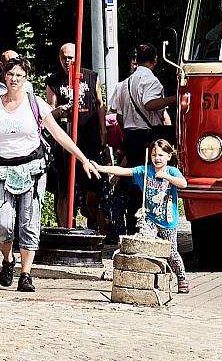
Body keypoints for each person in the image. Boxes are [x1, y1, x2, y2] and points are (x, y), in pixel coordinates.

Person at [0, 56, 100, 292]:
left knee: (29, 223)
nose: (14, 79)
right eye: (11, 74)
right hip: (2, 170)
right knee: (3, 225)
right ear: (5, 77)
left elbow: (59, 135)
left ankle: (26, 274)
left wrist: (83, 159)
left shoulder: (36, 103)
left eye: (19, 75)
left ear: (25, 78)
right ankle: (8, 260)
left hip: (33, 170)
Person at [96, 139, 190, 293]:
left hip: (168, 220)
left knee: (172, 252)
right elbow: (123, 171)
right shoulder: (144, 171)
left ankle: (181, 277)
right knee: (146, 245)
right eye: (154, 155)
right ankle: (150, 278)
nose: (157, 158)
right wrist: (100, 168)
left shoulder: (172, 171)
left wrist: (165, 176)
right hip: (149, 218)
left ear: (168, 156)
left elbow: (183, 183)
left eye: (161, 155)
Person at [114, 43, 176, 233]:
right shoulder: (151, 81)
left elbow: (118, 115)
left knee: (134, 178)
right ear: (155, 60)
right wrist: (174, 98)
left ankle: (131, 225)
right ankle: (146, 225)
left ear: (137, 60)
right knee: (147, 181)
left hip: (130, 135)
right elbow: (150, 104)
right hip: (146, 136)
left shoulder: (123, 84)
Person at [45, 43, 107, 231]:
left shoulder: (90, 76)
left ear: (78, 57)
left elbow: (99, 104)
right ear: (59, 58)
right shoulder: (54, 81)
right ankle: (65, 227)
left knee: (94, 184)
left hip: (90, 137)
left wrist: (103, 131)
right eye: (64, 57)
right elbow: (49, 112)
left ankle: (96, 223)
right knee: (63, 188)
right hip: (65, 139)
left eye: (71, 57)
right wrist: (60, 111)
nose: (67, 61)